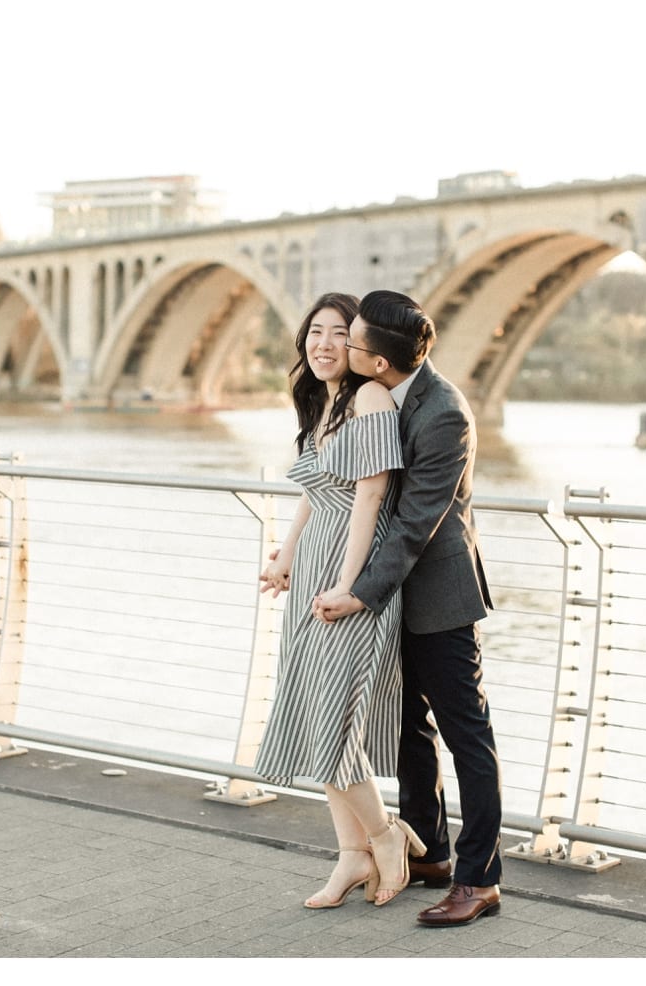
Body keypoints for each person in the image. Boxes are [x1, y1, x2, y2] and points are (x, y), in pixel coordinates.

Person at [313, 289, 501, 927]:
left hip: (441, 599)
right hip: (397, 600)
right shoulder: (382, 394)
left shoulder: (443, 411)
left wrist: (357, 590)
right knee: (408, 732)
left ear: (382, 364)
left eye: (354, 342)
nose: (343, 347)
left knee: (467, 739)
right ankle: (431, 852)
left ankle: (480, 880)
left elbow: (417, 520)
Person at [253, 291, 427, 909]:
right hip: (318, 564)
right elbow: (314, 491)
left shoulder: (370, 398)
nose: (323, 344)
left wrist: (352, 587)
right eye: (314, 332)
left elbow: (371, 497)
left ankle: (385, 838)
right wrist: (286, 555)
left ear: (357, 344)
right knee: (310, 711)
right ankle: (350, 855)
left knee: (333, 723)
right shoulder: (324, 404)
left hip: (354, 571)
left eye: (337, 333)